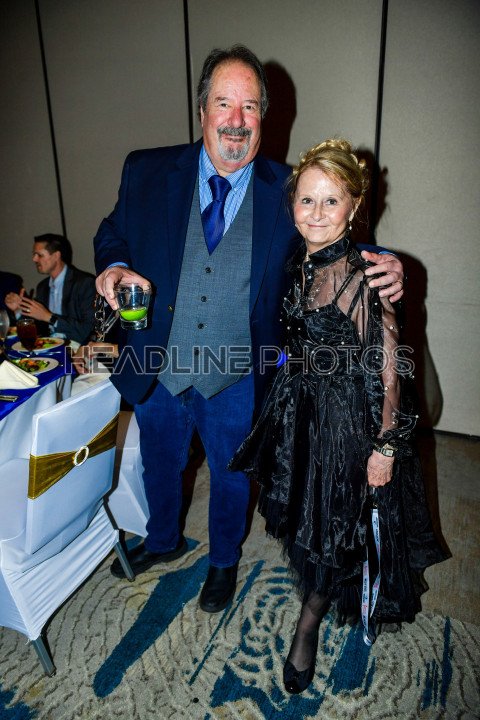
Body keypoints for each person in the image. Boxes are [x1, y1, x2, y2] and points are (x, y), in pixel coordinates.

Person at [94, 45, 405, 614]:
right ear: (202, 111)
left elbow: (332, 229)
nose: (236, 120)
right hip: (157, 359)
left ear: (264, 115)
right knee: (156, 460)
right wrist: (113, 265)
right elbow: (111, 230)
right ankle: (162, 540)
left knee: (231, 475)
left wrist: (387, 261)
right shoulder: (146, 170)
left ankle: (222, 561)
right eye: (224, 104)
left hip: (237, 372)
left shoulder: (286, 187)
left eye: (250, 107)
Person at [230, 138, 447, 693]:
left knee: (335, 529)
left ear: (354, 207)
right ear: (292, 204)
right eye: (307, 200)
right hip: (301, 408)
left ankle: (307, 627)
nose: (317, 213)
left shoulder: (365, 279)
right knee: (307, 515)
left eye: (332, 201)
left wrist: (385, 448)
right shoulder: (298, 258)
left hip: (346, 424)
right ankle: (313, 590)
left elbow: (390, 371)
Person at [5, 233, 96, 344]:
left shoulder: (85, 284)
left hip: (77, 348)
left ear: (56, 256)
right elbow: (39, 329)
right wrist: (18, 310)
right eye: (34, 254)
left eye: (39, 255)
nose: (34, 259)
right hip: (49, 347)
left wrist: (49, 317)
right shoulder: (42, 287)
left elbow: (88, 330)